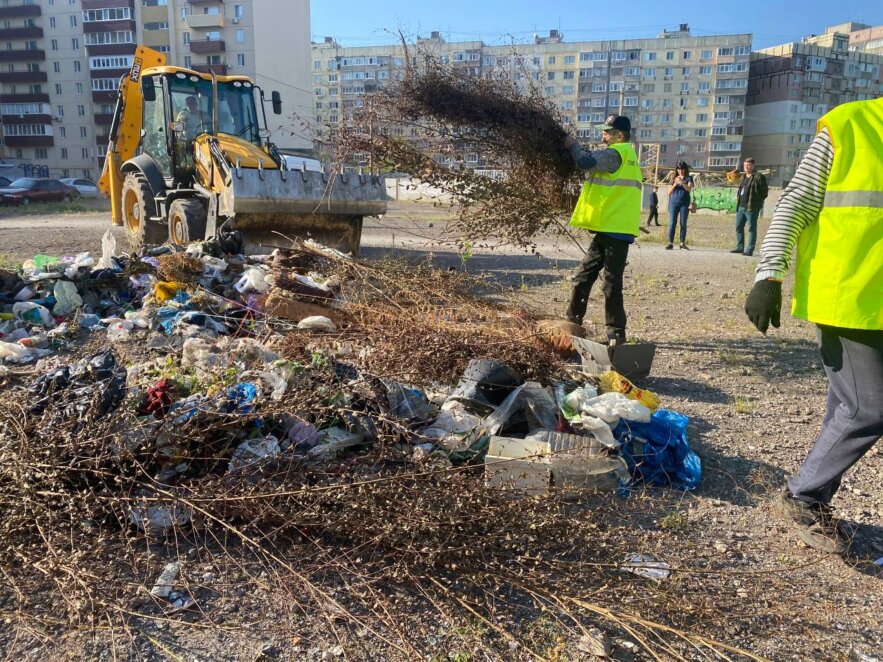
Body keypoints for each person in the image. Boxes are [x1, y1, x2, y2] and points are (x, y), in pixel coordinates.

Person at [744, 97, 883, 554]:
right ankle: (801, 496)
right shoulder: (851, 125)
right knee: (869, 409)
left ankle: (814, 495)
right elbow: (795, 204)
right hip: (848, 299)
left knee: (848, 405)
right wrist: (769, 275)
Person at [563, 114, 642, 344]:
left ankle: (616, 334)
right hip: (609, 229)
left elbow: (585, 161)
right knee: (583, 277)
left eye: (607, 131)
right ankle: (572, 323)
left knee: (611, 282)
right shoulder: (625, 156)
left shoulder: (616, 153)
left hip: (616, 230)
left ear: (620, 135)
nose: (603, 135)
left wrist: (572, 144)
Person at [731, 157, 769, 256]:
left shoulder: (759, 177)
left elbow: (765, 192)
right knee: (739, 227)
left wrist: (758, 202)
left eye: (748, 165)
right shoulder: (743, 177)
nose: (746, 167)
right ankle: (740, 247)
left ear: (753, 166)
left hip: (752, 207)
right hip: (741, 207)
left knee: (751, 228)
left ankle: (749, 250)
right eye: (745, 165)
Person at [666, 161, 694, 250]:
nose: (680, 171)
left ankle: (682, 243)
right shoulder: (673, 177)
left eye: (682, 169)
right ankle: (670, 243)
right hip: (674, 203)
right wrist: (675, 184)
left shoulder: (689, 178)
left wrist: (682, 182)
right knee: (672, 223)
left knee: (683, 223)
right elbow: (668, 193)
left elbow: (689, 189)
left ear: (685, 169)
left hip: (684, 204)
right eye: (678, 169)